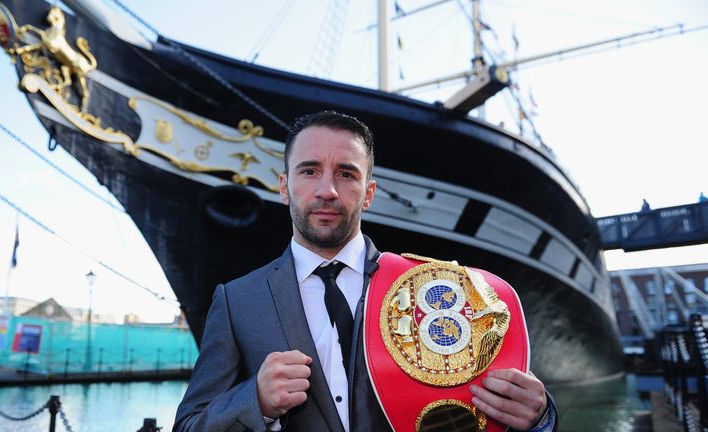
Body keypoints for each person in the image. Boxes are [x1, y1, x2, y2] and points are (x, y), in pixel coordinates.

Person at [174, 111, 556, 431]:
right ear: (284, 187)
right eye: (309, 171)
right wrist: (254, 400)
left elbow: (484, 409)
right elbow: (189, 424)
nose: (327, 190)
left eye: (346, 173)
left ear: (369, 193)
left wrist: (539, 417)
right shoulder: (237, 300)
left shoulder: (436, 287)